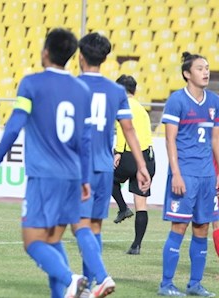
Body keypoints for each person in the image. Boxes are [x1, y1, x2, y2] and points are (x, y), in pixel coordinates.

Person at [0, 28, 91, 298]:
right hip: (71, 176)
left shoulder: (31, 84)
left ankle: (72, 279)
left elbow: (14, 126)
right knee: (52, 241)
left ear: (45, 52)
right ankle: (68, 287)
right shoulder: (81, 89)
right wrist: (85, 178)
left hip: (44, 176)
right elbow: (85, 139)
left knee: (32, 242)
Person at [73, 33, 151, 297]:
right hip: (104, 167)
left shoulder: (72, 87)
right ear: (105, 58)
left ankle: (102, 277)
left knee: (81, 226)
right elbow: (129, 130)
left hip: (79, 168)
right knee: (94, 227)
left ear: (80, 56)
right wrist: (141, 165)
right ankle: (87, 285)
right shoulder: (116, 91)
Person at [159, 52, 219, 297]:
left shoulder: (214, 100)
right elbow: (170, 140)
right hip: (185, 175)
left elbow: (216, 140)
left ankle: (195, 283)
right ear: (187, 73)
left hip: (207, 176)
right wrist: (176, 173)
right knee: (179, 227)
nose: (205, 72)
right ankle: (166, 284)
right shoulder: (176, 101)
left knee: (202, 227)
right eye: (200, 68)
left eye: (207, 68)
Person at [111, 75, 155, 255]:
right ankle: (136, 245)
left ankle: (122, 208)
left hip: (129, 153)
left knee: (108, 179)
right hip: (148, 155)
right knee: (141, 203)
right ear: (134, 90)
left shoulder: (122, 106)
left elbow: (124, 130)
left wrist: (118, 152)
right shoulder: (142, 109)